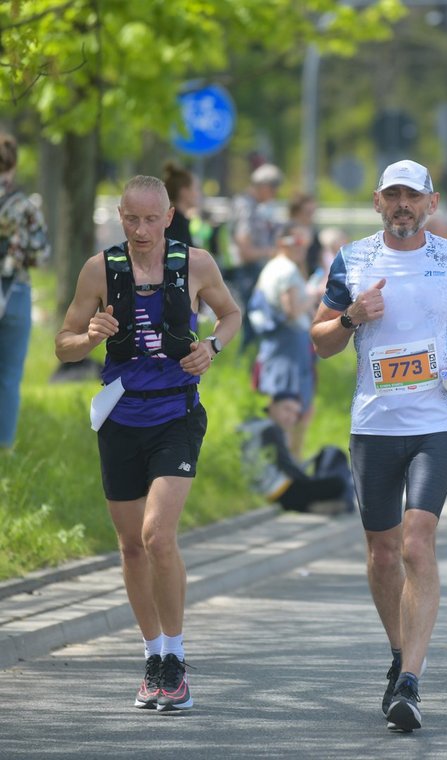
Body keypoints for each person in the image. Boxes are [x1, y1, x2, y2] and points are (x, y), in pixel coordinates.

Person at [310, 159, 447, 732]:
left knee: (418, 544)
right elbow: (320, 343)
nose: (402, 205)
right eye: (392, 195)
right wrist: (350, 317)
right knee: (383, 553)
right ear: (376, 202)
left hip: (436, 421)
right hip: (374, 423)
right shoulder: (354, 259)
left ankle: (412, 682)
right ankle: (399, 654)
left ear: (431, 204)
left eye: (412, 197)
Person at [54, 175, 241, 712]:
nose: (140, 230)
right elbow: (63, 346)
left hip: (176, 413)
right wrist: (89, 337)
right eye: (130, 219)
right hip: (120, 415)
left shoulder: (196, 264)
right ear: (120, 217)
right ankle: (152, 656)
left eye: (150, 220)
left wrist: (213, 346)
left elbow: (231, 314)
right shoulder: (100, 270)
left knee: (158, 535)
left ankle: (176, 660)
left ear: (168, 218)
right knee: (131, 545)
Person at [249, 221, 319, 456]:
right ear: (282, 243)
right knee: (291, 409)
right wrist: (313, 294)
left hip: (278, 344)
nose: (302, 247)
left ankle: (277, 464)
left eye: (305, 242)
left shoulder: (273, 267)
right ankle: (287, 465)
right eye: (297, 242)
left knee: (280, 405)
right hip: (290, 345)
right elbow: (292, 311)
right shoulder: (287, 269)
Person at [0, 131, 51, 450]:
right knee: (9, 377)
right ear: (14, 165)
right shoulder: (25, 206)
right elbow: (43, 253)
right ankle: (4, 447)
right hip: (16, 291)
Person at [238, 391, 353, 515]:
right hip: (281, 491)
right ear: (271, 405)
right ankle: (341, 504)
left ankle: (322, 505)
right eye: (287, 409)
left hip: (272, 489)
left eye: (295, 414)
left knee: (326, 465)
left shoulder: (253, 424)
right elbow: (285, 464)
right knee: (337, 479)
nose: (290, 417)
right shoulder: (271, 429)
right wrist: (309, 482)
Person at [230, 162, 283, 349]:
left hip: (251, 269)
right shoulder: (247, 207)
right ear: (265, 186)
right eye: (274, 188)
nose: (275, 194)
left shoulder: (253, 206)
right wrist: (270, 252)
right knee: (252, 318)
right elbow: (244, 249)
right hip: (246, 271)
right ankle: (246, 359)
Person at [162, 161, 197, 248]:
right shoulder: (177, 225)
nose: (198, 194)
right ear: (184, 192)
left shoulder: (177, 221)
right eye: (196, 189)